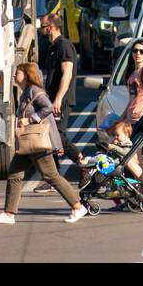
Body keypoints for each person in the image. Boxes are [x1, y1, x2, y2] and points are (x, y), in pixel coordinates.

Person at [0, 64, 87, 224]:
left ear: (26, 75)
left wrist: (31, 119)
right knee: (14, 174)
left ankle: (77, 206)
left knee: (51, 176)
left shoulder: (34, 90)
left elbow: (48, 107)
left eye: (17, 73)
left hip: (38, 142)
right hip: (28, 143)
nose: (14, 76)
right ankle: (9, 214)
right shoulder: (25, 92)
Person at [108, 40, 143, 200]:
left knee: (126, 156)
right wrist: (121, 119)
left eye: (142, 51)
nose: (137, 54)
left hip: (141, 120)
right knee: (132, 158)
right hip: (131, 120)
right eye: (135, 51)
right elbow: (132, 100)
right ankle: (134, 192)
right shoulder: (132, 73)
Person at [40, 14, 85, 185]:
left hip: (61, 100)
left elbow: (67, 73)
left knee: (58, 135)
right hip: (51, 99)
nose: (41, 30)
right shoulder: (53, 47)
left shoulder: (64, 46)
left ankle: (83, 163)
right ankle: (54, 178)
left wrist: (58, 99)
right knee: (51, 136)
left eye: (43, 26)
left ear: (50, 27)